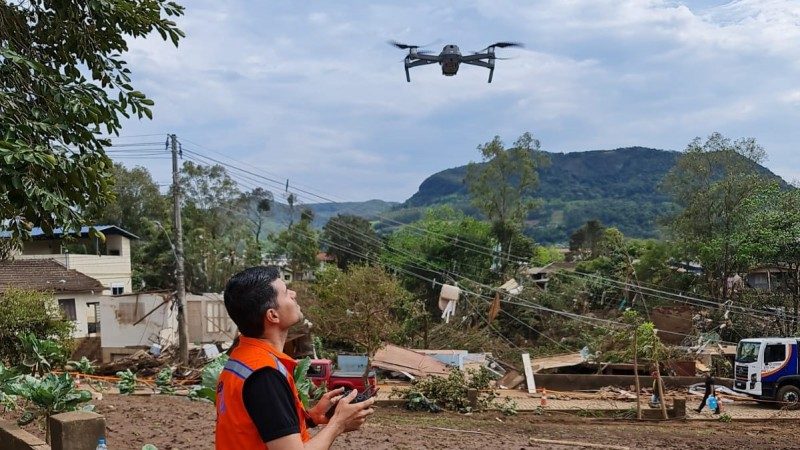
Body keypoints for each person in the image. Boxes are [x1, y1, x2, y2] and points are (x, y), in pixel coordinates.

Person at [215, 266, 375, 450]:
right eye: (285, 293)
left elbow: (263, 425)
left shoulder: (242, 360)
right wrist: (338, 423)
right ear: (272, 315)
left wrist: (312, 417)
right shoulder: (265, 376)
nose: (294, 293)